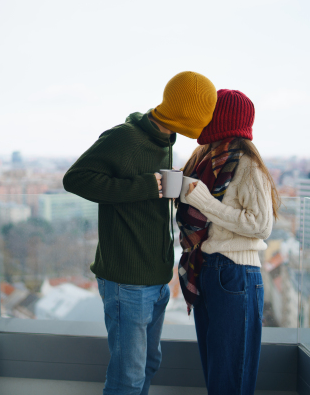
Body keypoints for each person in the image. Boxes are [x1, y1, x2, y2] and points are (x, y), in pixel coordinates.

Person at [63, 71, 217, 395]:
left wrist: (165, 190)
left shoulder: (166, 142)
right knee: (128, 378)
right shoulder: (125, 138)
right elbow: (75, 179)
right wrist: (148, 186)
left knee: (148, 365)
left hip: (156, 278)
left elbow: (149, 197)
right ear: (183, 114)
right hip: (126, 280)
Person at [176, 89, 280, 395]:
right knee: (218, 374)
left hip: (236, 272)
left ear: (219, 118)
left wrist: (204, 201)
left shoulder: (247, 165)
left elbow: (261, 226)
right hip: (207, 268)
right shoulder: (203, 159)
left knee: (230, 377)